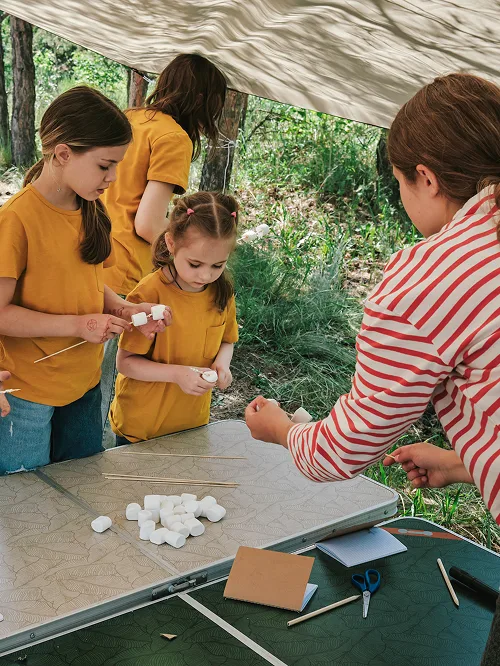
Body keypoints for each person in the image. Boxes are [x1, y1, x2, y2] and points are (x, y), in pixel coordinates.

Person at [245, 72, 500, 664]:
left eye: (402, 183)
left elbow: (341, 450)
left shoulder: (431, 278)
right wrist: (469, 464)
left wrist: (283, 431)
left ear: (428, 178)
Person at [0, 86, 167, 473]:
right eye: (104, 165)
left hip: (86, 384)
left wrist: (124, 308)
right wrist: (78, 325)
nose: (112, 177)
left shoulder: (90, 207)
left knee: (84, 489)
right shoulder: (16, 221)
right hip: (27, 394)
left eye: (117, 166)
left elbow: (85, 283)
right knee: (30, 499)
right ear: (62, 153)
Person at [100, 54, 227, 424]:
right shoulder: (174, 137)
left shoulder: (129, 118)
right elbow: (148, 222)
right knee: (103, 387)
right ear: (204, 101)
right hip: (126, 274)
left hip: (91, 261)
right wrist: (190, 259)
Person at [109, 191, 239, 444]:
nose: (205, 276)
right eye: (195, 264)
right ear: (171, 244)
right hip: (141, 426)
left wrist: (222, 364)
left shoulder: (222, 293)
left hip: (192, 424)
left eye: (217, 265)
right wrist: (177, 374)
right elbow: (125, 363)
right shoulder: (148, 294)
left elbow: (227, 340)